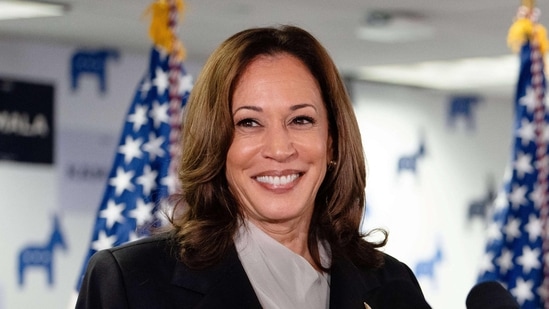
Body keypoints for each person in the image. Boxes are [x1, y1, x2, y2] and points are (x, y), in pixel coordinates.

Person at [76, 25, 431, 309]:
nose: (279, 148)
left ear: (333, 142)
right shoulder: (130, 282)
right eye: (248, 123)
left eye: (301, 120)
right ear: (216, 143)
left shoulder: (391, 285)